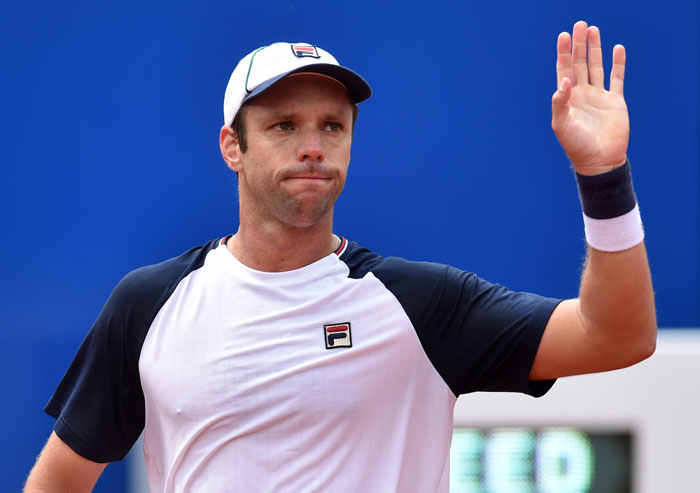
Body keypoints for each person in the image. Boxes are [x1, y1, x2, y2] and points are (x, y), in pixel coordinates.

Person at [25, 21, 656, 492]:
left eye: (333, 125)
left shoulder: (422, 306)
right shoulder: (151, 303)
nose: (313, 147)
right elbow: (58, 480)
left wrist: (603, 175)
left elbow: (617, 336)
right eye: (283, 125)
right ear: (232, 147)